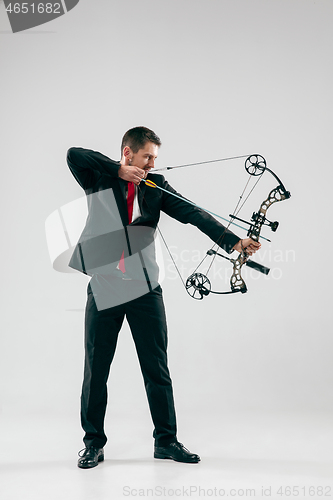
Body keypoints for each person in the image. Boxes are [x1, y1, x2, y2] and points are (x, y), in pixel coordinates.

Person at [66, 126, 260, 469]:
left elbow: (194, 214)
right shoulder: (96, 176)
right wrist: (117, 170)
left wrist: (234, 242)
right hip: (106, 284)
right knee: (96, 369)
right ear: (128, 153)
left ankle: (166, 441)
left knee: (156, 368)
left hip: (144, 288)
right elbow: (73, 154)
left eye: (155, 158)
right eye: (147, 157)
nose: (152, 164)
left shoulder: (155, 186)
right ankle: (93, 443)